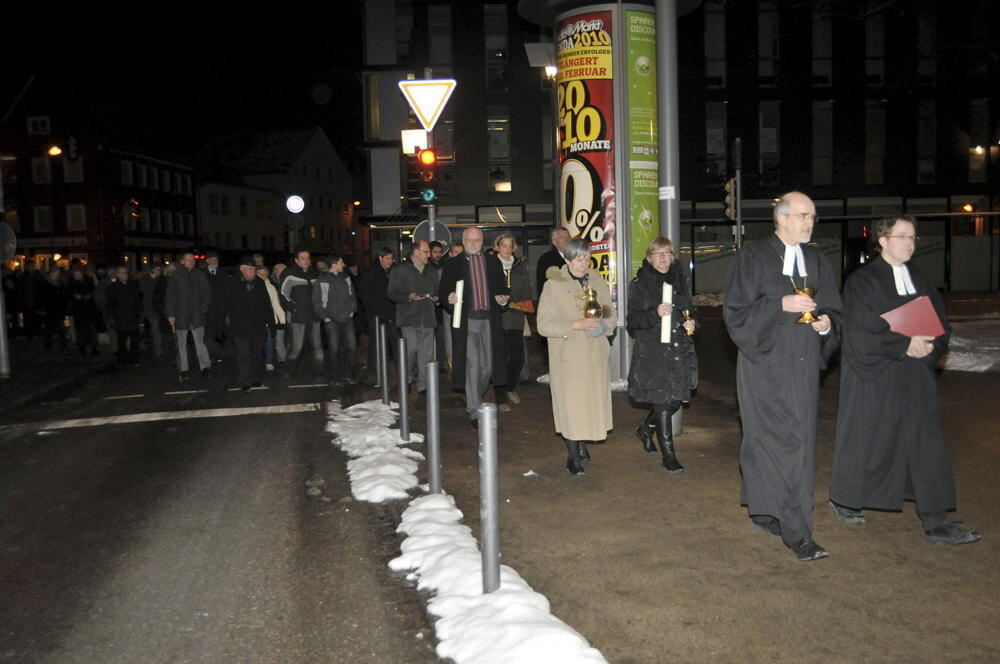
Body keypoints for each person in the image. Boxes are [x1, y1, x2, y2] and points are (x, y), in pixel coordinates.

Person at [829, 215, 981, 545]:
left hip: (914, 375)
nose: (910, 243)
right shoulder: (862, 282)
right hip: (876, 377)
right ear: (882, 241)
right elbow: (858, 332)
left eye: (913, 237)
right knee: (867, 440)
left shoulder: (920, 279)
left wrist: (929, 345)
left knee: (926, 443)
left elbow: (941, 324)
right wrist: (904, 344)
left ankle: (935, 520)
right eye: (902, 236)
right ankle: (846, 499)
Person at [723, 191, 842, 562]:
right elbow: (736, 315)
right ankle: (763, 508)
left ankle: (797, 531)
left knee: (797, 445)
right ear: (782, 218)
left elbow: (836, 311)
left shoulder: (818, 261)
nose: (810, 222)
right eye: (804, 215)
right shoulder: (752, 259)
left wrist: (826, 326)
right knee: (761, 441)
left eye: (813, 217)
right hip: (762, 366)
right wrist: (780, 305)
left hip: (802, 368)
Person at [537, 238, 616, 475]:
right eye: (579, 259)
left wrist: (604, 326)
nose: (584, 264)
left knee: (589, 403)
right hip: (569, 356)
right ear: (567, 259)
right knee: (571, 406)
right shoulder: (553, 286)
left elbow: (611, 313)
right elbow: (543, 325)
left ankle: (582, 444)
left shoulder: (597, 280)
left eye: (587, 258)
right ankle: (573, 455)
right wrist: (575, 324)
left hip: (594, 354)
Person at [626, 237, 698, 473]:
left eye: (667, 253)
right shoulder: (639, 284)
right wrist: (655, 312)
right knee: (663, 402)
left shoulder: (681, 280)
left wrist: (692, 323)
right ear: (649, 258)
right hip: (654, 351)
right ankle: (669, 454)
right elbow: (633, 321)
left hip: (679, 348)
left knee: (676, 399)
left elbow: (690, 310)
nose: (663, 258)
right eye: (657, 254)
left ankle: (646, 429)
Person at [438, 227, 510, 429]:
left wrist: (503, 299)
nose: (473, 243)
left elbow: (502, 289)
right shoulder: (453, 264)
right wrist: (449, 299)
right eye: (469, 240)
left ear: (482, 241)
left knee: (487, 367)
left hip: (489, 320)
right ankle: (474, 410)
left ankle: (474, 396)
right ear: (463, 241)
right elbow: (444, 292)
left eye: (477, 240)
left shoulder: (492, 261)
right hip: (467, 321)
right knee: (474, 364)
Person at [388, 240, 439, 396]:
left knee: (427, 354)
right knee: (411, 349)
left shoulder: (432, 271)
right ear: (416, 252)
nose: (429, 255)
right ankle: (407, 378)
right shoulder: (400, 270)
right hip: (408, 317)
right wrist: (407, 297)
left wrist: (437, 298)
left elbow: (438, 290)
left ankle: (423, 385)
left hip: (428, 317)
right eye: (426, 252)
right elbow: (391, 293)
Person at [493, 232, 533, 411]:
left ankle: (510, 387)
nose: (507, 249)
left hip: (516, 318)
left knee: (518, 357)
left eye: (510, 246)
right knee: (499, 359)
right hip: (497, 319)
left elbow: (527, 291)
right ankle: (500, 398)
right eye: (504, 246)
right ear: (498, 247)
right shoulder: (491, 265)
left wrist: (514, 303)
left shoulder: (520, 266)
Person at [225, 256, 272, 390]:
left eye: (253, 269)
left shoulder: (259, 283)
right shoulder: (232, 283)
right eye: (250, 269)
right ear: (242, 270)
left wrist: (270, 323)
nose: (253, 272)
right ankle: (243, 380)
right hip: (240, 327)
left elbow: (266, 304)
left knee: (257, 354)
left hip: (258, 326)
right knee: (243, 354)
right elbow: (225, 304)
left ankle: (254, 378)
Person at [313, 253, 359, 384]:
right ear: (334, 265)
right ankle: (334, 376)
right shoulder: (322, 280)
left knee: (351, 346)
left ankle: (349, 374)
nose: (343, 265)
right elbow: (316, 301)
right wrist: (324, 316)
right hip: (331, 320)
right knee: (334, 349)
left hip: (347, 318)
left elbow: (352, 295)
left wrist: (353, 310)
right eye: (341, 262)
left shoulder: (346, 278)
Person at [166, 252, 212, 380]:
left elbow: (206, 292)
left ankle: (205, 367)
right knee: (181, 343)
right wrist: (171, 314)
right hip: (181, 314)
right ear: (182, 261)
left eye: (192, 260)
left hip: (197, 314)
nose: (191, 262)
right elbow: (170, 296)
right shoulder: (176, 276)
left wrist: (203, 308)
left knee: (200, 342)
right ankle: (184, 369)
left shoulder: (199, 274)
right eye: (188, 260)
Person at [280, 249, 323, 381]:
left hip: (314, 316)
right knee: (296, 347)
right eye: (303, 258)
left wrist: (321, 309)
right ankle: (288, 370)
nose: (306, 261)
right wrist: (293, 308)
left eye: (308, 258)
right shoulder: (289, 274)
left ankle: (319, 374)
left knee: (317, 347)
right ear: (296, 260)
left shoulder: (315, 274)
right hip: (298, 317)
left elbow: (322, 293)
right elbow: (283, 294)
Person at [358, 247, 399, 377]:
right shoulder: (370, 273)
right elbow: (363, 294)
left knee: (395, 342)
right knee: (376, 343)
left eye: (391, 258)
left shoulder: (393, 272)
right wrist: (372, 309)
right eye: (387, 258)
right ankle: (375, 371)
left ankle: (399, 368)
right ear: (380, 258)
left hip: (391, 313)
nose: (390, 261)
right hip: (376, 315)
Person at [105, 265, 142, 365]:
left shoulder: (132, 285)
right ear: (117, 275)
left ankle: (134, 358)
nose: (125, 275)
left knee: (134, 340)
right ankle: (123, 359)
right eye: (122, 273)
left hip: (132, 316)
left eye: (126, 273)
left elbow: (137, 300)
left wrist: (138, 312)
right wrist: (112, 318)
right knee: (122, 340)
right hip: (120, 317)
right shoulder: (113, 287)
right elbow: (110, 304)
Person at [256, 264, 286, 371]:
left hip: (270, 318)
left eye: (265, 274)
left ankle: (269, 361)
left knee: (270, 341)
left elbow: (275, 304)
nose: (263, 276)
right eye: (260, 274)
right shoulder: (252, 286)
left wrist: (282, 318)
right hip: (257, 319)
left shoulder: (271, 287)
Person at [202, 250, 231, 361]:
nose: (215, 261)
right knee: (210, 334)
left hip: (221, 309)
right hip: (208, 310)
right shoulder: (202, 274)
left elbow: (227, 290)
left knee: (221, 332)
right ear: (208, 261)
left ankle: (220, 354)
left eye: (216, 259)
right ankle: (213, 354)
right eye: (213, 259)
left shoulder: (222, 273)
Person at [67, 265, 99, 355]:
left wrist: (88, 296)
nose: (77, 275)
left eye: (79, 273)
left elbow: (92, 292)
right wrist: (81, 297)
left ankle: (93, 347)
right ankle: (82, 348)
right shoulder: (72, 283)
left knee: (92, 330)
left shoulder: (88, 281)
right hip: (79, 311)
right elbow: (73, 295)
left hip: (89, 310)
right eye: (75, 274)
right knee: (81, 331)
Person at [536, 227, 571, 302]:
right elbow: (543, 287)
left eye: (568, 237)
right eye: (562, 237)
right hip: (555, 303)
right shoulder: (546, 259)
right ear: (554, 242)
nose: (567, 239)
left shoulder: (576, 258)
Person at [138, 264, 164, 358]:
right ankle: (142, 345)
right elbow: (145, 293)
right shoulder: (145, 280)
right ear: (151, 270)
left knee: (156, 330)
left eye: (159, 270)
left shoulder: (159, 280)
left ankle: (158, 351)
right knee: (143, 329)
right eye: (157, 269)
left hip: (155, 309)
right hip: (146, 308)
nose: (159, 272)